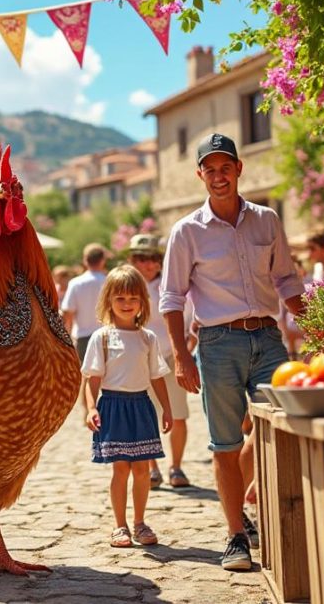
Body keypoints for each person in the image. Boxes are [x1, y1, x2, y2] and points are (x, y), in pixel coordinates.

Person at [160, 133, 305, 571]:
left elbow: (287, 282)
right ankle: (236, 537)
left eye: (226, 167)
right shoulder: (186, 231)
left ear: (239, 169)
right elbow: (171, 298)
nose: (219, 176)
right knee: (225, 444)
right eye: (211, 168)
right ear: (200, 174)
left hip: (267, 338)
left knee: (277, 429)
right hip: (217, 344)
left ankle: (245, 504)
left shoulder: (267, 220)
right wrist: (183, 359)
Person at [81, 265, 173, 548]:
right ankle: (119, 526)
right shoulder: (102, 338)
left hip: (141, 407)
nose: (127, 304)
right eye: (120, 298)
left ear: (142, 302)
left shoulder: (148, 338)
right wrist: (91, 409)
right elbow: (91, 379)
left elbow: (157, 377)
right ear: (108, 300)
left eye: (133, 298)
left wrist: (167, 409)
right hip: (112, 407)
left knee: (143, 470)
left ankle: (140, 523)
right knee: (120, 469)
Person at [127, 234, 194, 490]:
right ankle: (153, 468)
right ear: (133, 260)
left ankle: (176, 467)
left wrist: (186, 352)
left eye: (154, 259)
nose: (149, 264)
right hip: (139, 358)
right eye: (142, 259)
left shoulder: (172, 283)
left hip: (171, 355)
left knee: (178, 414)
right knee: (147, 415)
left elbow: (190, 318)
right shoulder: (126, 285)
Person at [63, 243, 109, 363]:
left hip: (82, 337)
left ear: (85, 260)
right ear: (103, 261)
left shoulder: (76, 283)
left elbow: (68, 313)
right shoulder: (109, 282)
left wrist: (67, 339)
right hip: (107, 336)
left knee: (85, 377)